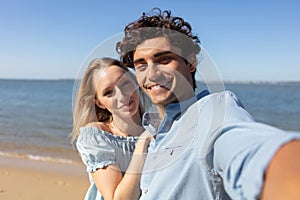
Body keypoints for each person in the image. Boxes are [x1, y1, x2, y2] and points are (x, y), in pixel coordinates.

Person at [116, 8, 300, 200]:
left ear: (191, 63)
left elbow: (252, 154)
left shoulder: (213, 112)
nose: (151, 74)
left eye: (164, 59)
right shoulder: (153, 135)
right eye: (141, 65)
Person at [71, 57, 152, 200]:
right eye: (108, 92)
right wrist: (141, 144)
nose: (122, 95)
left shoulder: (157, 126)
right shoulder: (97, 136)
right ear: (99, 103)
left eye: (125, 83)